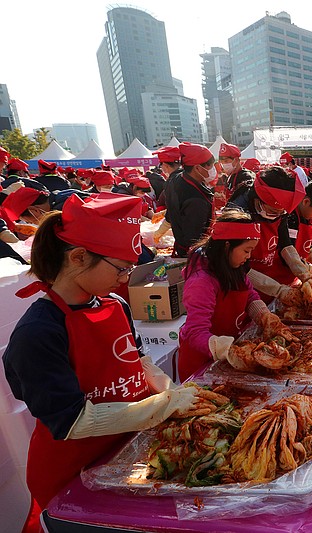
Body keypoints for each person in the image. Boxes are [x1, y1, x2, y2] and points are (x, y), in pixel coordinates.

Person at [2, 193, 210, 528]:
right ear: (79, 257)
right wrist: (162, 407)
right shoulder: (38, 332)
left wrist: (170, 391)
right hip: (71, 477)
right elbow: (71, 422)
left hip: (123, 457)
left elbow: (139, 361)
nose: (127, 278)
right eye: (122, 267)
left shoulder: (114, 304)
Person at [178, 210, 293, 380]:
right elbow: (195, 332)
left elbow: (250, 295)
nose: (248, 257)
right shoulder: (201, 281)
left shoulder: (233, 267)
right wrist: (228, 350)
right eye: (246, 251)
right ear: (227, 246)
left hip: (228, 354)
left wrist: (265, 317)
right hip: (202, 363)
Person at [229, 166, 307, 303]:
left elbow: (284, 243)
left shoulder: (278, 211)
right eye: (273, 211)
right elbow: (238, 266)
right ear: (258, 200)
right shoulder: (237, 214)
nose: (278, 216)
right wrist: (278, 290)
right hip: (241, 282)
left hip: (269, 274)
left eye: (282, 213)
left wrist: (302, 271)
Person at [164, 143, 216, 257]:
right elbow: (194, 239)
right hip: (194, 254)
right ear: (197, 168)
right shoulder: (196, 199)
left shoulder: (176, 179)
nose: (213, 169)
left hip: (181, 245)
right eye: (210, 166)